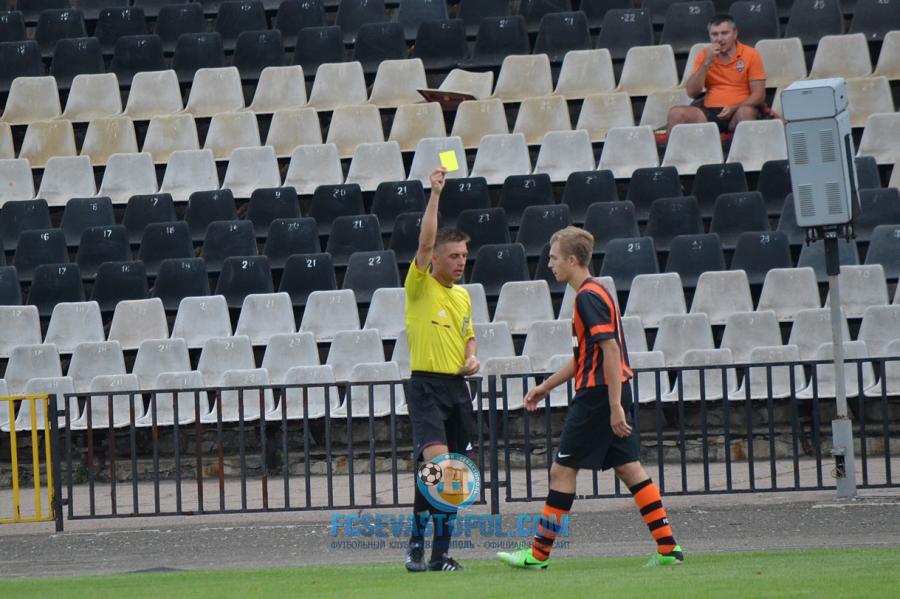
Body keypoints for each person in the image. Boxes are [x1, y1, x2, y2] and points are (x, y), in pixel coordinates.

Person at [497, 227, 683, 570]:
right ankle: (668, 547)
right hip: (609, 390)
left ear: (572, 260)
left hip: (598, 396)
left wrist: (613, 406)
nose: (549, 264)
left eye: (554, 258)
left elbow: (610, 350)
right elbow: (585, 356)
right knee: (628, 468)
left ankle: (537, 555)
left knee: (561, 470)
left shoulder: (586, 297)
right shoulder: (597, 291)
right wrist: (546, 387)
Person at [403, 167, 480, 573]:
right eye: (454, 255)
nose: (461, 262)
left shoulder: (464, 296)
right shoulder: (419, 285)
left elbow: (469, 335)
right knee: (442, 469)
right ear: (434, 258)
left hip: (456, 388)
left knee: (445, 473)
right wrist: (435, 194)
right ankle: (425, 548)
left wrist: (472, 357)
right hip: (426, 388)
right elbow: (425, 239)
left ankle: (433, 553)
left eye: (464, 256)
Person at [667, 14, 767, 135]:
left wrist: (735, 107)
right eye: (714, 34)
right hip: (710, 111)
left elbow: (759, 95)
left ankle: (749, 147)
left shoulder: (751, 54)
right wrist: (706, 62)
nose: (719, 39)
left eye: (724, 33)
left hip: (739, 109)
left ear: (735, 34)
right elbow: (692, 92)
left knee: (746, 112)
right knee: (676, 113)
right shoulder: (704, 55)